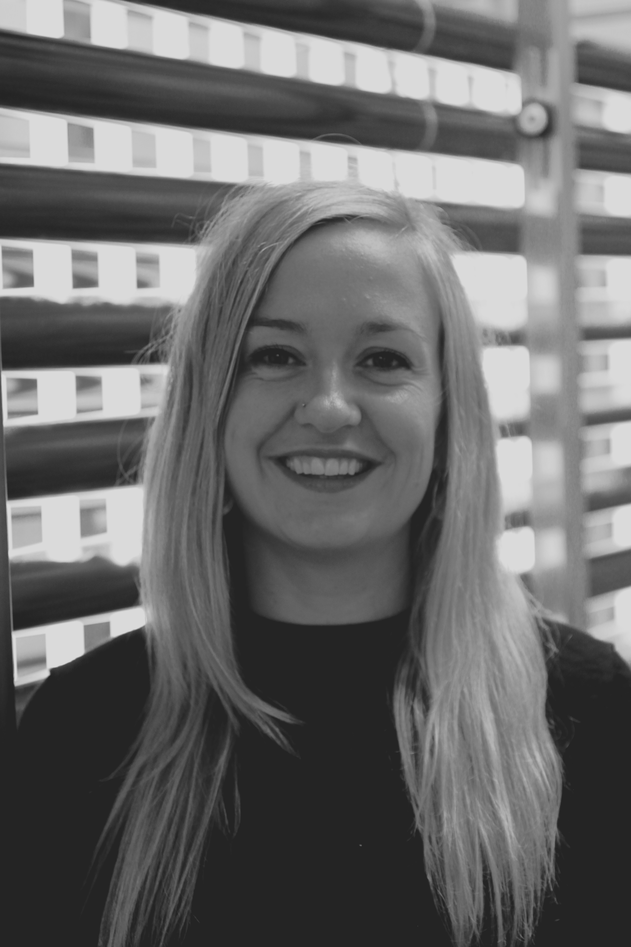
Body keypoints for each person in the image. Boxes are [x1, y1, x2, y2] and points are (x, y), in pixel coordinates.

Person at [14, 181, 631, 947]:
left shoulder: (590, 714)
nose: (330, 406)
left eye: (382, 359)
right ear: (210, 404)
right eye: (275, 355)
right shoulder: (82, 732)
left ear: (448, 411)